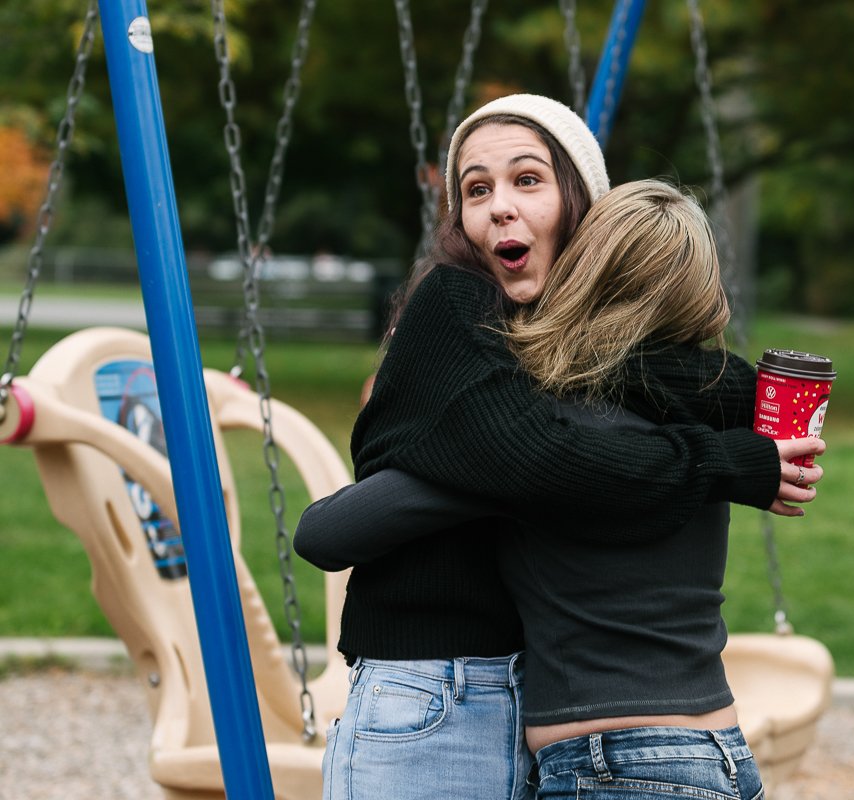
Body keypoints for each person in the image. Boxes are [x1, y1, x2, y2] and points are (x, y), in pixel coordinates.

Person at [297, 94, 816, 800]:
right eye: (475, 190)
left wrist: (757, 423)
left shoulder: (562, 361)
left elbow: (712, 390)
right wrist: (729, 464)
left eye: (527, 180)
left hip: (534, 701)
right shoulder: (455, 303)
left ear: (585, 209)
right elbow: (528, 456)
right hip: (432, 686)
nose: (499, 207)